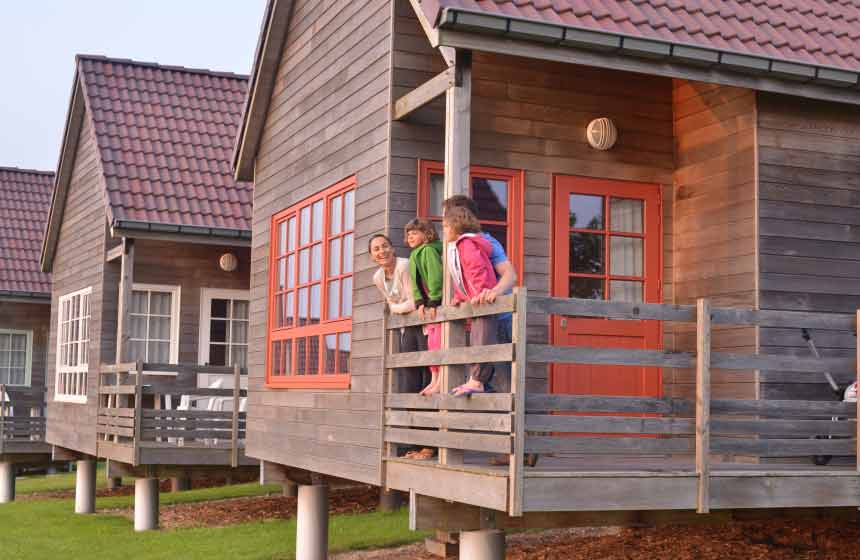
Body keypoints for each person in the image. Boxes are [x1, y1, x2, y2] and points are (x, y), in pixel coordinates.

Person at [370, 233, 435, 461]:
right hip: (406, 329)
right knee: (409, 384)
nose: (382, 251)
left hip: (424, 326)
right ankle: (418, 444)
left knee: (428, 381)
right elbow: (392, 302)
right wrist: (397, 308)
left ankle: (431, 445)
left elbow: (412, 301)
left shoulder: (405, 266)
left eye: (385, 246)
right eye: (377, 249)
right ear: (372, 256)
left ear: (393, 248)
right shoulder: (378, 277)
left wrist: (396, 309)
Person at [442, 195, 516, 392]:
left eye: (447, 219)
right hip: (478, 314)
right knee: (482, 380)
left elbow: (510, 275)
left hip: (501, 317)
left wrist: (491, 292)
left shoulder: (484, 241)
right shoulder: (455, 246)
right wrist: (461, 296)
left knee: (508, 379)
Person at [444, 207, 499, 396]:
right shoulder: (458, 246)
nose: (444, 230)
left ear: (456, 225)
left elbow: (477, 269)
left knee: (483, 339)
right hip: (475, 301)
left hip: (483, 300)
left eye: (446, 226)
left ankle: (478, 380)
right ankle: (475, 379)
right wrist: (459, 296)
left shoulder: (467, 244)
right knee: (477, 339)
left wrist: (481, 291)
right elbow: (462, 276)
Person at [405, 218, 444, 396]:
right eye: (408, 234)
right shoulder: (414, 255)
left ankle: (441, 380)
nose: (410, 237)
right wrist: (419, 302)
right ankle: (434, 379)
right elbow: (415, 283)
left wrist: (434, 300)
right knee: (431, 342)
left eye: (415, 233)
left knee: (438, 342)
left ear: (426, 234)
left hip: (437, 303)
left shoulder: (428, 250)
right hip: (427, 305)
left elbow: (435, 276)